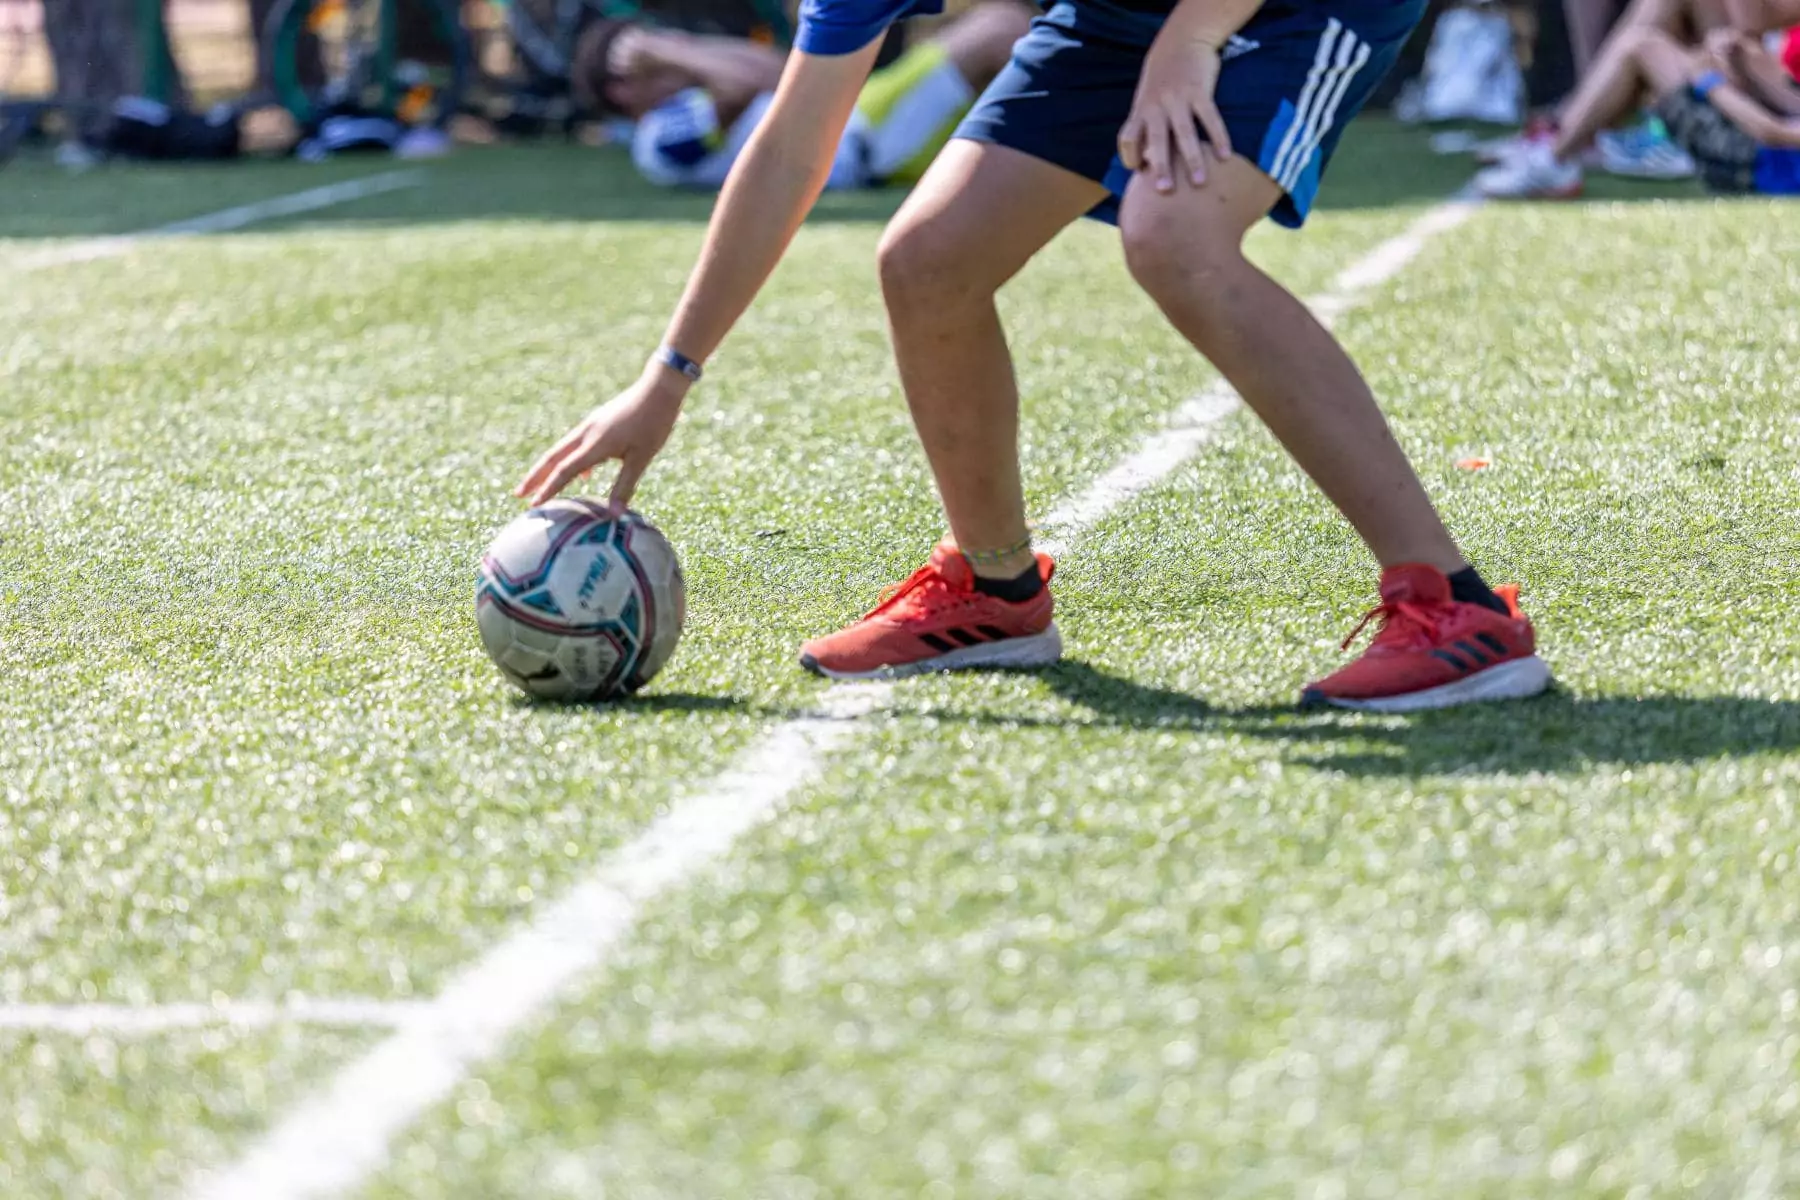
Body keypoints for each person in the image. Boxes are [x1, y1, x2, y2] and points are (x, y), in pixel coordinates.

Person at [520, 0, 1552, 711]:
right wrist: (669, 377)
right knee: (927, 261)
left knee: (1174, 235)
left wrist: (1190, 40)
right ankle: (995, 591)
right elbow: (794, 141)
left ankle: (1455, 608)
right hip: (1120, 17)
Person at [573, 5, 1032, 191]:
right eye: (647, 67)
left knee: (1003, 29)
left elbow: (780, 66)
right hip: (864, 136)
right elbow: (761, 81)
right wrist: (670, 48)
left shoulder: (693, 89)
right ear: (619, 90)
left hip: (865, 115)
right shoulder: (654, 143)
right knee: (999, 30)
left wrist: (671, 46)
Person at [1478, 0, 1800, 195]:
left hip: (1751, 160)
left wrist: (1711, 83)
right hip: (1758, 139)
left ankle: (1556, 155)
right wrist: (1741, 59)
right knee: (1643, 43)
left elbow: (1775, 131)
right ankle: (1560, 146)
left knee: (1642, 48)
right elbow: (1789, 103)